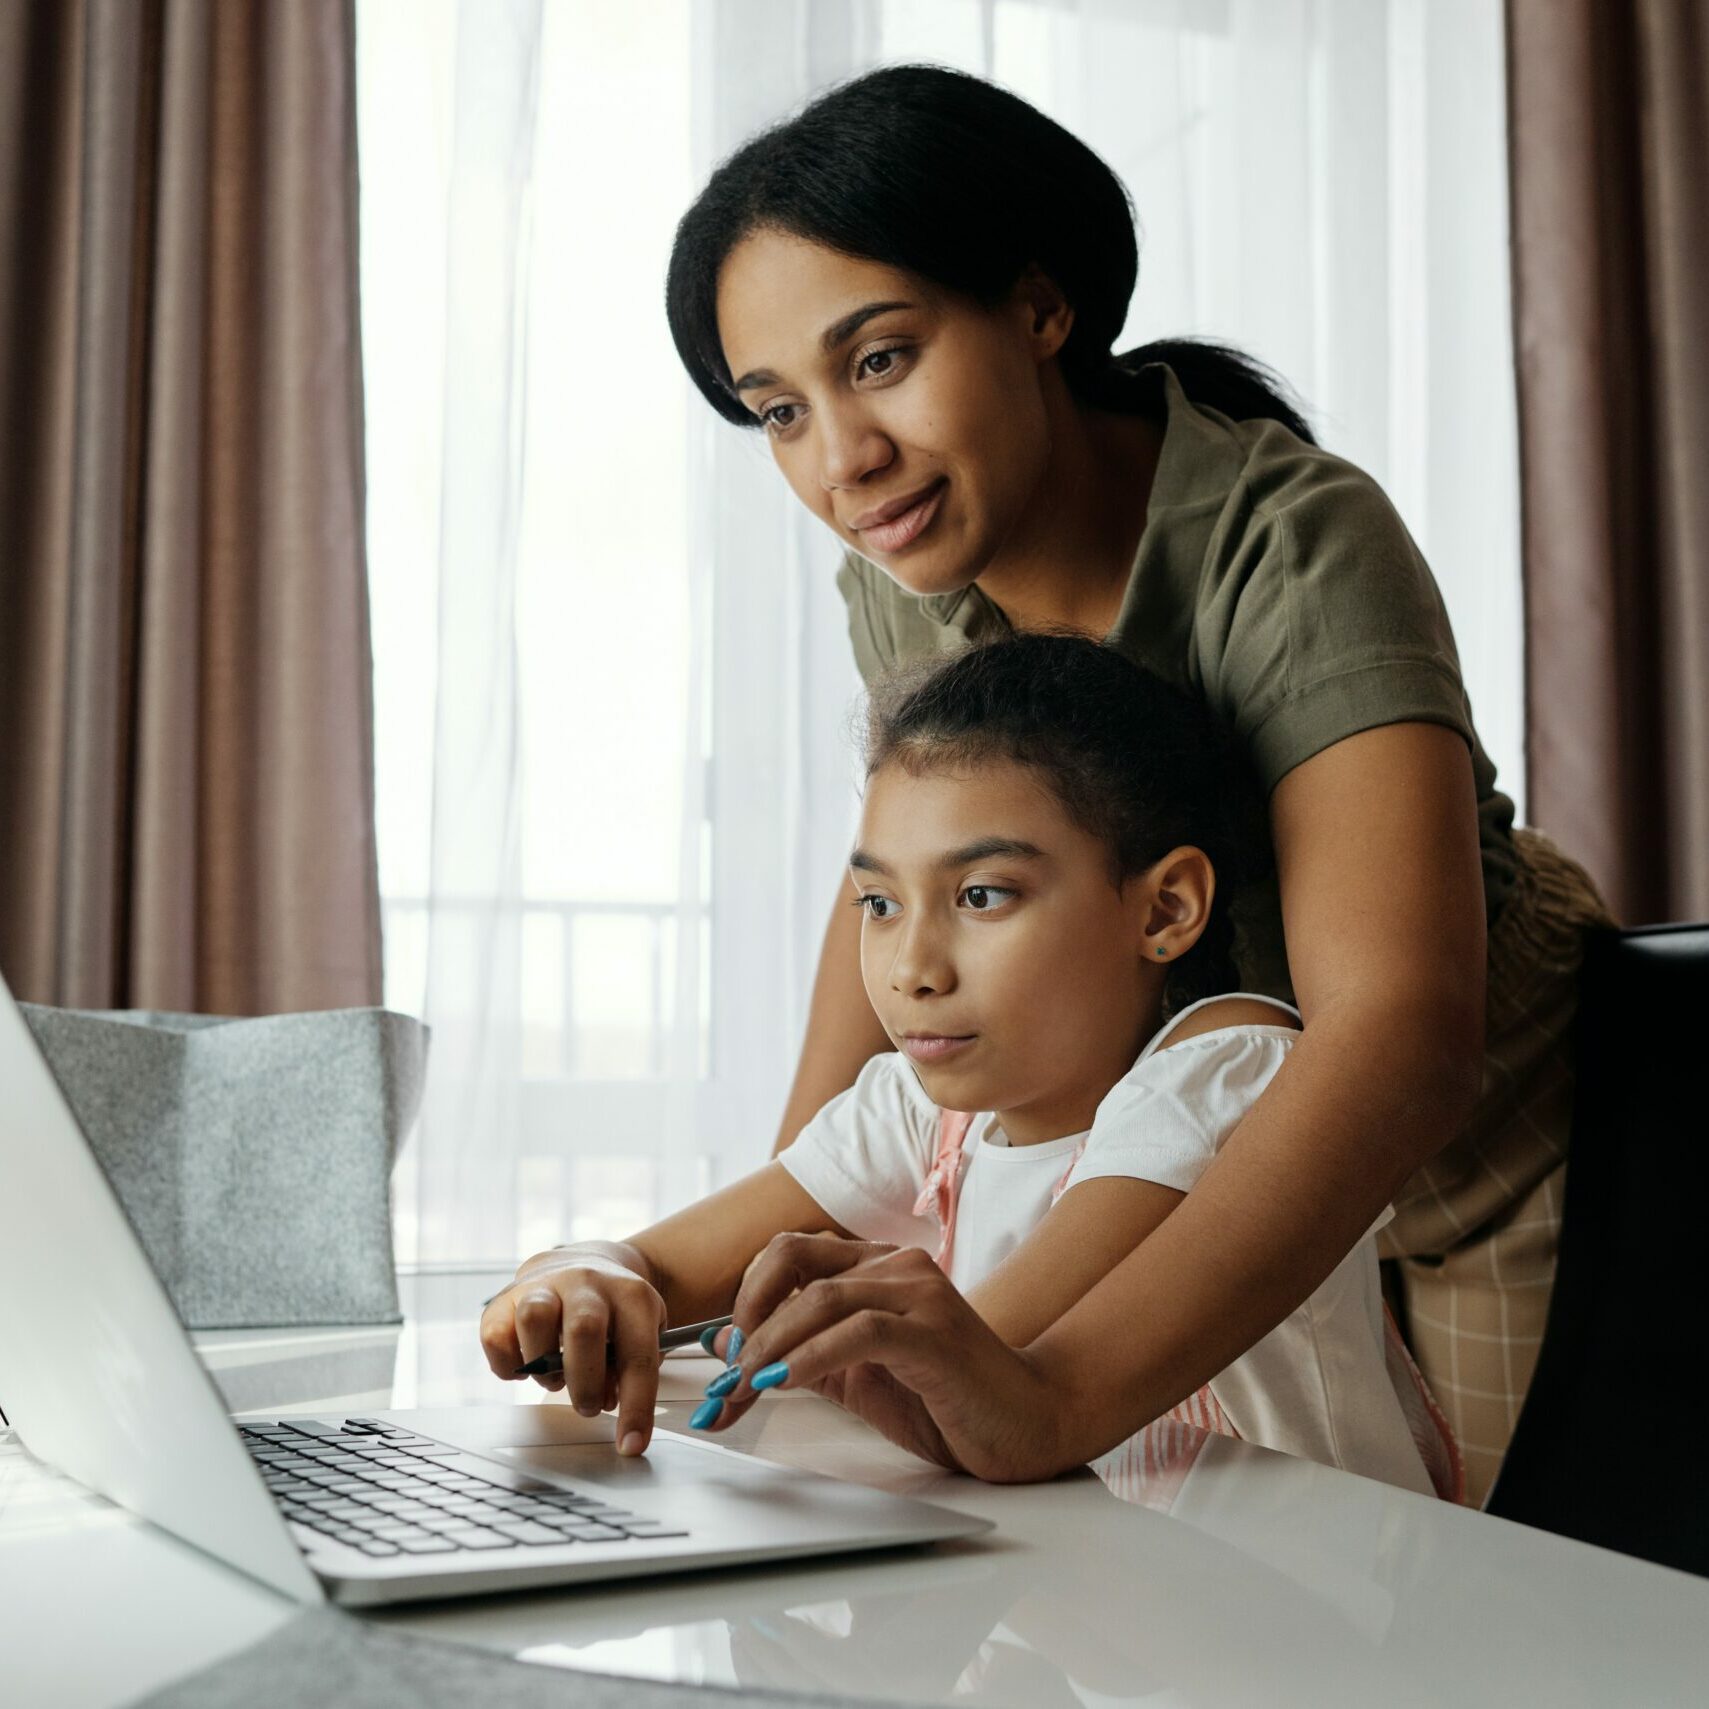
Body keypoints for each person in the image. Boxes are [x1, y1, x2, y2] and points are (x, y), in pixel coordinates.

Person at [657, 63, 1611, 1503]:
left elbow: (1400, 1030)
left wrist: (1052, 1397)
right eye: (778, 410)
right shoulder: (904, 571)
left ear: (1040, 307)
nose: (843, 460)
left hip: (1472, 1145)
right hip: (1169, 1146)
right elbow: (900, 886)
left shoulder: (1292, 540)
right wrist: (779, 1255)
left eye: (877, 361)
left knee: (1492, 1604)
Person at [481, 634, 1458, 1497]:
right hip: (1091, 1600)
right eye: (878, 902)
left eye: (983, 894)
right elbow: (660, 1262)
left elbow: (981, 1371)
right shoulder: (926, 1109)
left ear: (1163, 909)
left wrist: (790, 1332)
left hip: (1295, 1624)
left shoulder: (1227, 1069)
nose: (911, 967)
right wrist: (583, 1275)